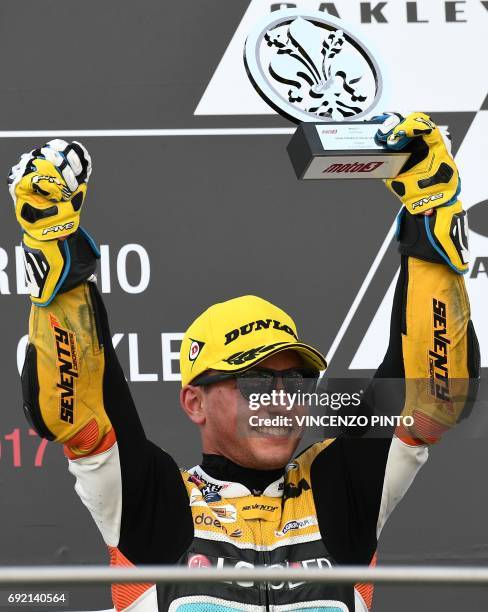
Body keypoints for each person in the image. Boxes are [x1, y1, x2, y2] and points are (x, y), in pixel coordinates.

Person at [10, 113, 479, 612]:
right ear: (195, 401)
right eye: (255, 380)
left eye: (296, 380)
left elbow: (431, 393)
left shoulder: (340, 488)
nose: (280, 398)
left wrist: (432, 218)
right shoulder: (156, 503)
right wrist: (54, 247)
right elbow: (77, 409)